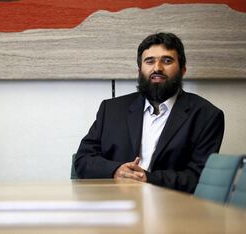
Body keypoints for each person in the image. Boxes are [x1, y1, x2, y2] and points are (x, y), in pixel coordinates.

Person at [74, 32, 224, 193]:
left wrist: (148, 178)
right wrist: (116, 170)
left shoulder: (207, 116)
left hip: (171, 208)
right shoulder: (111, 110)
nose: (157, 68)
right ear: (140, 70)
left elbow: (199, 176)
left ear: (183, 70)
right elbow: (83, 160)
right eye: (149, 61)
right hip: (114, 202)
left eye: (167, 61)